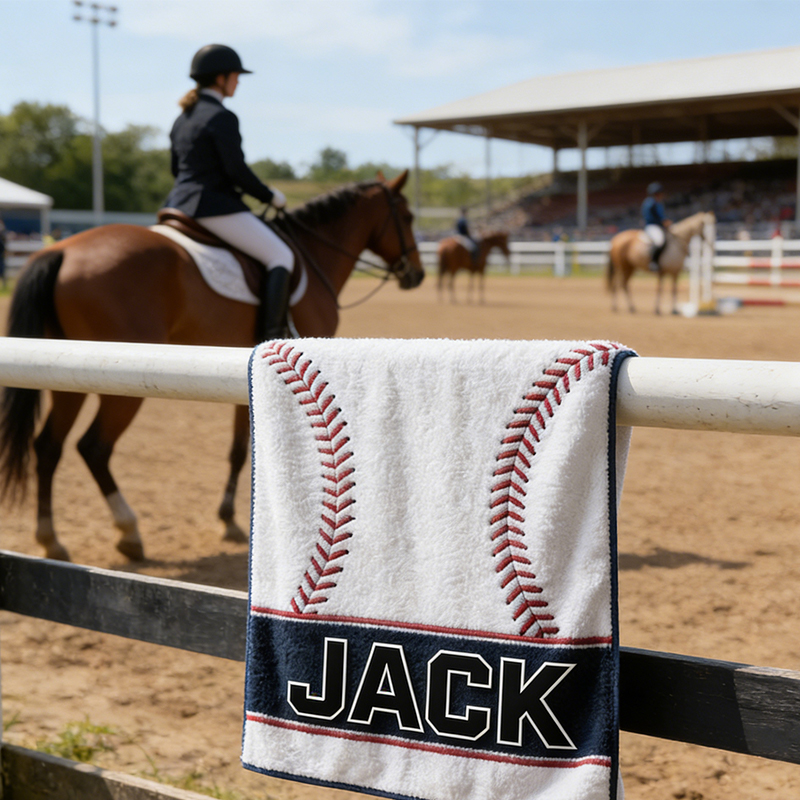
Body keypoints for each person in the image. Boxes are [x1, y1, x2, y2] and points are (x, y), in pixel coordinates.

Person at [163, 44, 294, 340]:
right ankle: (272, 339)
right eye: (236, 75)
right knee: (281, 256)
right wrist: (269, 196)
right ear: (221, 78)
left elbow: (176, 170)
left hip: (176, 205)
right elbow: (236, 171)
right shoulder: (222, 116)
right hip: (211, 207)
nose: (238, 81)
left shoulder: (181, 119)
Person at [641, 182, 670, 272]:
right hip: (652, 226)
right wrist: (663, 222)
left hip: (658, 226)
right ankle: (653, 262)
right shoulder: (650, 203)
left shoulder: (657, 202)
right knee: (659, 241)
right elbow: (651, 217)